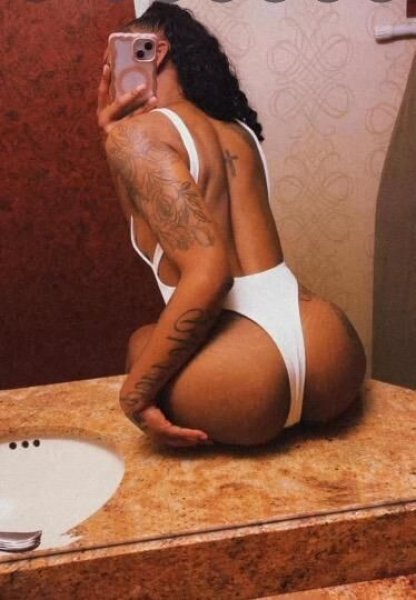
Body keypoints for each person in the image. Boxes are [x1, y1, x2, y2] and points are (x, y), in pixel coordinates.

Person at [97, 2, 366, 448]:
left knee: (140, 342)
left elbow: (210, 274)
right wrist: (114, 140)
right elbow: (146, 222)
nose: (109, 73)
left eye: (113, 59)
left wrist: (134, 396)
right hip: (330, 352)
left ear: (155, 53)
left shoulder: (141, 135)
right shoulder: (237, 130)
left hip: (242, 378)